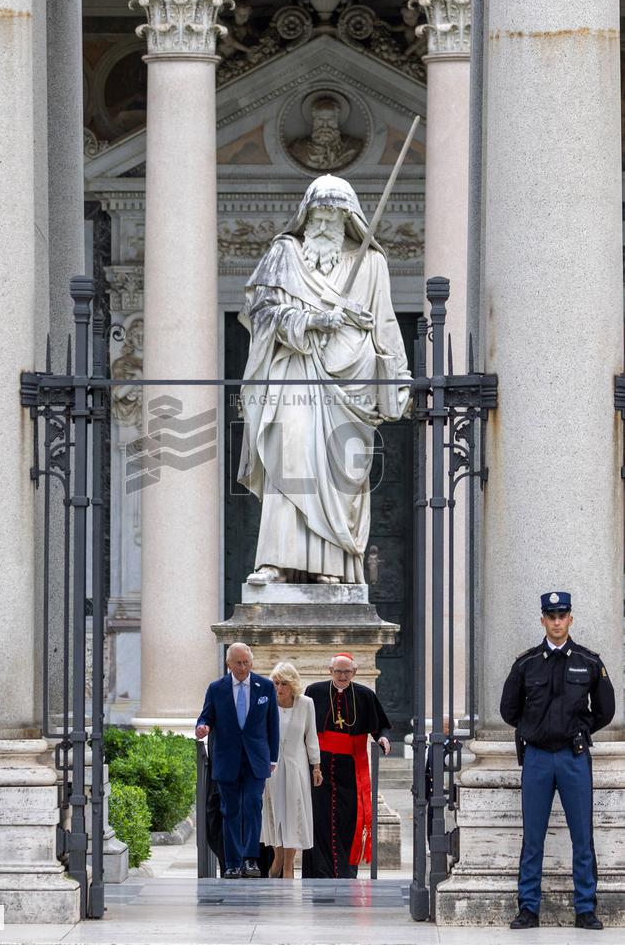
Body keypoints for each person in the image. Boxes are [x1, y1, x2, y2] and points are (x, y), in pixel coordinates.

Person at [238, 174, 411, 587]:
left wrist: (398, 377)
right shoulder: (285, 254)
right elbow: (261, 314)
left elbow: (384, 324)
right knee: (289, 457)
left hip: (351, 384)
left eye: (333, 213)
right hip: (295, 374)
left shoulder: (372, 263)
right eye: (318, 212)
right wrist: (316, 319)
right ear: (305, 214)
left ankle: (330, 566)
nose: (324, 222)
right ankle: (276, 561)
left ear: (348, 217)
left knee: (338, 473)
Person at [500, 591, 615, 931]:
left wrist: (579, 729)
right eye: (550, 616)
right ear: (542, 620)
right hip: (536, 757)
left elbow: (605, 710)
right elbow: (508, 709)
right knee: (533, 837)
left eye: (562, 615)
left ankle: (585, 909)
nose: (556, 622)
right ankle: (528, 909)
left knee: (582, 836)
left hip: (573, 757)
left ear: (570, 619)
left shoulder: (589, 661)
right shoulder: (526, 663)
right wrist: (533, 728)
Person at [302, 652, 391, 878]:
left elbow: (381, 726)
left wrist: (383, 738)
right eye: (338, 671)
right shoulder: (314, 692)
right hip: (319, 767)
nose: (342, 676)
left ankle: (345, 871)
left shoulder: (365, 695)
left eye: (347, 671)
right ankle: (318, 871)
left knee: (348, 820)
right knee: (319, 819)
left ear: (355, 672)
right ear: (329, 671)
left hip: (350, 770)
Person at [195, 642, 279, 878]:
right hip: (227, 758)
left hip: (256, 760)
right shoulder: (216, 688)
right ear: (228, 664)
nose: (242, 667)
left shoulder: (265, 686)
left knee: (252, 806)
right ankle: (231, 862)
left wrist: (273, 757)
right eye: (238, 663)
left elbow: (273, 725)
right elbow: (206, 716)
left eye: (246, 662)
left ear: (251, 662)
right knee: (230, 810)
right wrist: (202, 727)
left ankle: (251, 859)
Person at [261, 662, 322, 878]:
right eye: (276, 683)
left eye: (284, 683)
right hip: (272, 768)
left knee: (293, 815)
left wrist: (316, 766)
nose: (279, 688)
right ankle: (277, 860)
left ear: (292, 684)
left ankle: (288, 866)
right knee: (276, 814)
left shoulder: (306, 704)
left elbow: (311, 736)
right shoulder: (267, 703)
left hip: (296, 767)